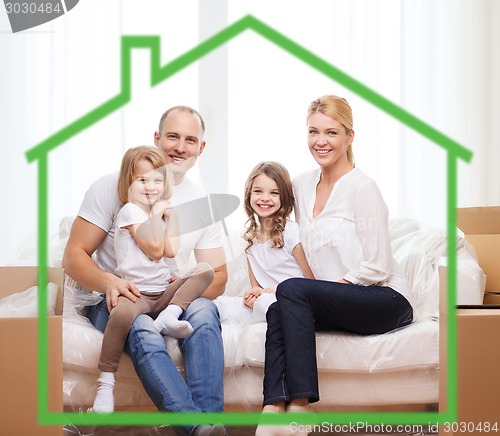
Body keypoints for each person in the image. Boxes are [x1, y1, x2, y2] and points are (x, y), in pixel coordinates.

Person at [62, 106, 227, 436]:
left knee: (206, 311)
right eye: (173, 137)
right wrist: (110, 281)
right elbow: (73, 257)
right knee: (141, 327)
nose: (180, 147)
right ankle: (195, 427)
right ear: (157, 138)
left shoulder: (200, 202)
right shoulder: (114, 187)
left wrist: (178, 295)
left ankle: (212, 423)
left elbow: (219, 276)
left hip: (164, 296)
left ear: (201, 149)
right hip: (117, 299)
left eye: (190, 140)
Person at [255, 96, 414, 436]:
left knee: (291, 292)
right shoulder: (300, 185)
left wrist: (319, 293)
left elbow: (377, 265)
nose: (321, 141)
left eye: (331, 132)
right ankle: (272, 408)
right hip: (334, 299)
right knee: (277, 308)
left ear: (349, 137)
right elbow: (278, 227)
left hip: (383, 298)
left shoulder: (362, 188)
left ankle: (300, 407)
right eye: (313, 132)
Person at [92, 145, 215, 412]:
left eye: (157, 180)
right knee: (121, 315)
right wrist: (159, 215)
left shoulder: (155, 214)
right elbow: (155, 249)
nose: (150, 187)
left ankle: (170, 315)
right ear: (129, 182)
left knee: (204, 269)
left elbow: (171, 250)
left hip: (162, 293)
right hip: (136, 295)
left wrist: (174, 218)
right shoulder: (130, 212)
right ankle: (106, 381)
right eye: (142, 180)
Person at [215, 161, 314, 324]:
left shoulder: (290, 232)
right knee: (220, 305)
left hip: (293, 301)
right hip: (266, 301)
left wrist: (276, 294)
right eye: (258, 191)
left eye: (274, 193)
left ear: (284, 197)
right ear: (249, 195)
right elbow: (256, 286)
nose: (265, 198)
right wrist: (254, 294)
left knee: (265, 304)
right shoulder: (250, 240)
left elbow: (311, 282)